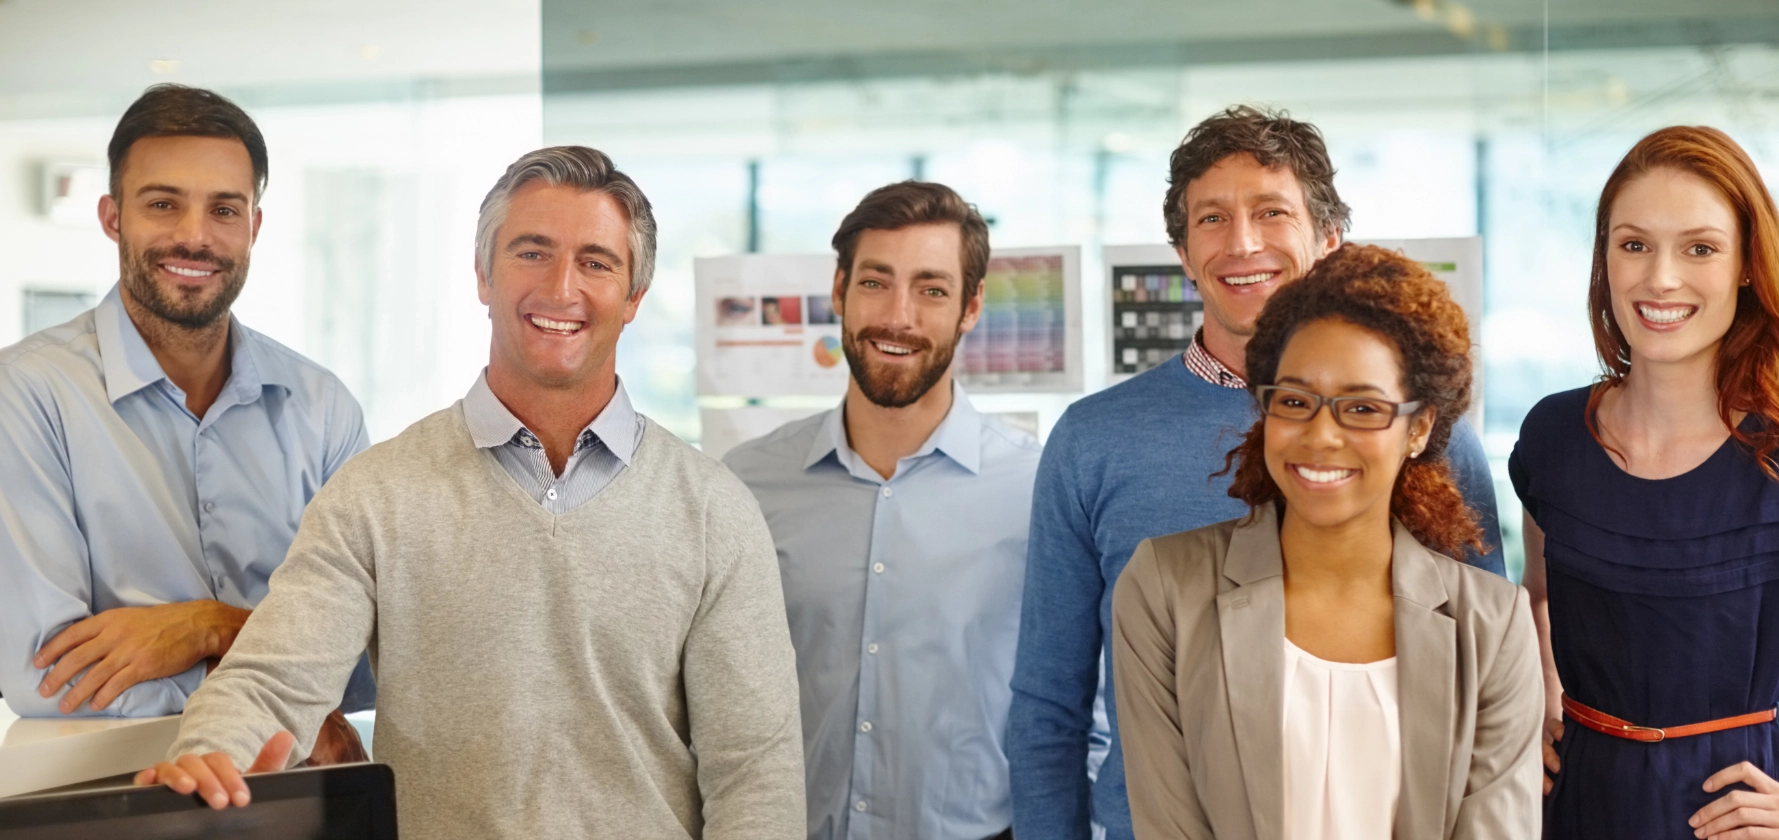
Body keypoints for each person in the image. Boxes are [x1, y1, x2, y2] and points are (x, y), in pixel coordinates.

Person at [134, 146, 806, 840]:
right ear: (484, 276)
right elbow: (272, 679)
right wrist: (207, 753)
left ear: (634, 297)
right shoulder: (375, 495)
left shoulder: (712, 511)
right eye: (532, 252)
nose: (561, 287)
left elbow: (753, 773)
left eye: (596, 262)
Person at [1008, 104, 1507, 839]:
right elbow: (1049, 706)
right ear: (1182, 251)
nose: (1242, 243)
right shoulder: (1094, 441)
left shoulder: (1417, 430)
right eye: (1212, 219)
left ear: (1328, 238)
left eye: (1271, 211)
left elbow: (1480, 681)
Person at [1515, 126, 1779, 838]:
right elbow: (1538, 596)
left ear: (1745, 266)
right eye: (1633, 244)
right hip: (1567, 812)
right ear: (1604, 258)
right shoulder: (1553, 436)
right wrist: (1540, 696)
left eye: (1699, 248)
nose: (1660, 278)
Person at [1114, 243, 1541, 839]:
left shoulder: (1492, 626)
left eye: (1362, 408)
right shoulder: (1165, 588)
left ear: (1417, 428)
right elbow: (1168, 823)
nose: (1320, 435)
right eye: (1293, 401)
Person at [0, 84, 371, 757]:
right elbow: (44, 674)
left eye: (224, 209)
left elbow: (365, 653)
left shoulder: (323, 408)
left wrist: (208, 626)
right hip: (106, 803)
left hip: (302, 799)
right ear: (113, 217)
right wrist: (284, 677)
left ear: (254, 227)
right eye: (163, 204)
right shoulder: (27, 396)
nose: (195, 236)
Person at [725, 181, 1041, 840]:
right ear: (839, 293)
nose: (898, 317)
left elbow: (1080, 710)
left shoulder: (1036, 490)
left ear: (971, 307)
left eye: (931, 290)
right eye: (876, 283)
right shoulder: (745, 486)